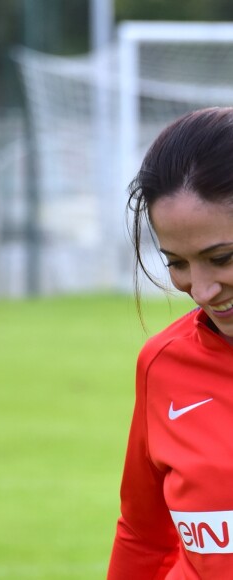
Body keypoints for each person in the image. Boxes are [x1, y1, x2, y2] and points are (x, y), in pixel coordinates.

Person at [108, 107, 233, 579]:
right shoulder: (163, 364)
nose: (200, 291)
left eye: (220, 258)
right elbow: (144, 536)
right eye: (177, 263)